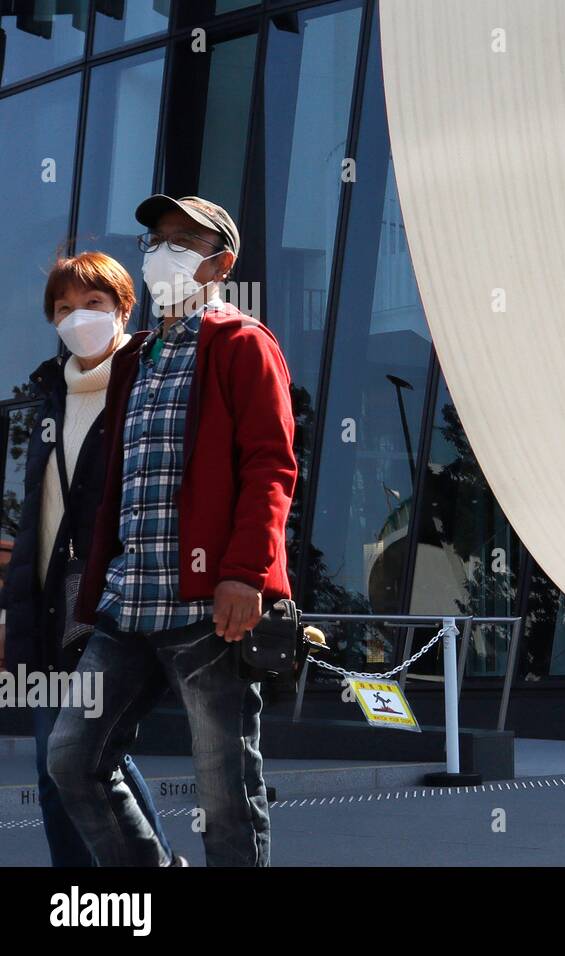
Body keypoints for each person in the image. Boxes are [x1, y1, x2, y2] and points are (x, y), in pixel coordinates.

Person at [46, 196, 297, 867]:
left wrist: (247, 573)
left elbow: (271, 466)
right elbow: (119, 489)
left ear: (222, 261)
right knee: (72, 760)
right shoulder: (137, 359)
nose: (163, 251)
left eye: (184, 241)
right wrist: (92, 590)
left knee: (225, 794)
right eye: (156, 239)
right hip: (127, 606)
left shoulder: (243, 344)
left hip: (208, 609)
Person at [0, 252, 174, 867]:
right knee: (60, 768)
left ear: (125, 308)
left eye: (94, 305)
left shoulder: (149, 385)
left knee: (88, 756)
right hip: (50, 606)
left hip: (113, 601)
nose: (78, 319)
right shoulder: (50, 392)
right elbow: (41, 512)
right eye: (64, 308)